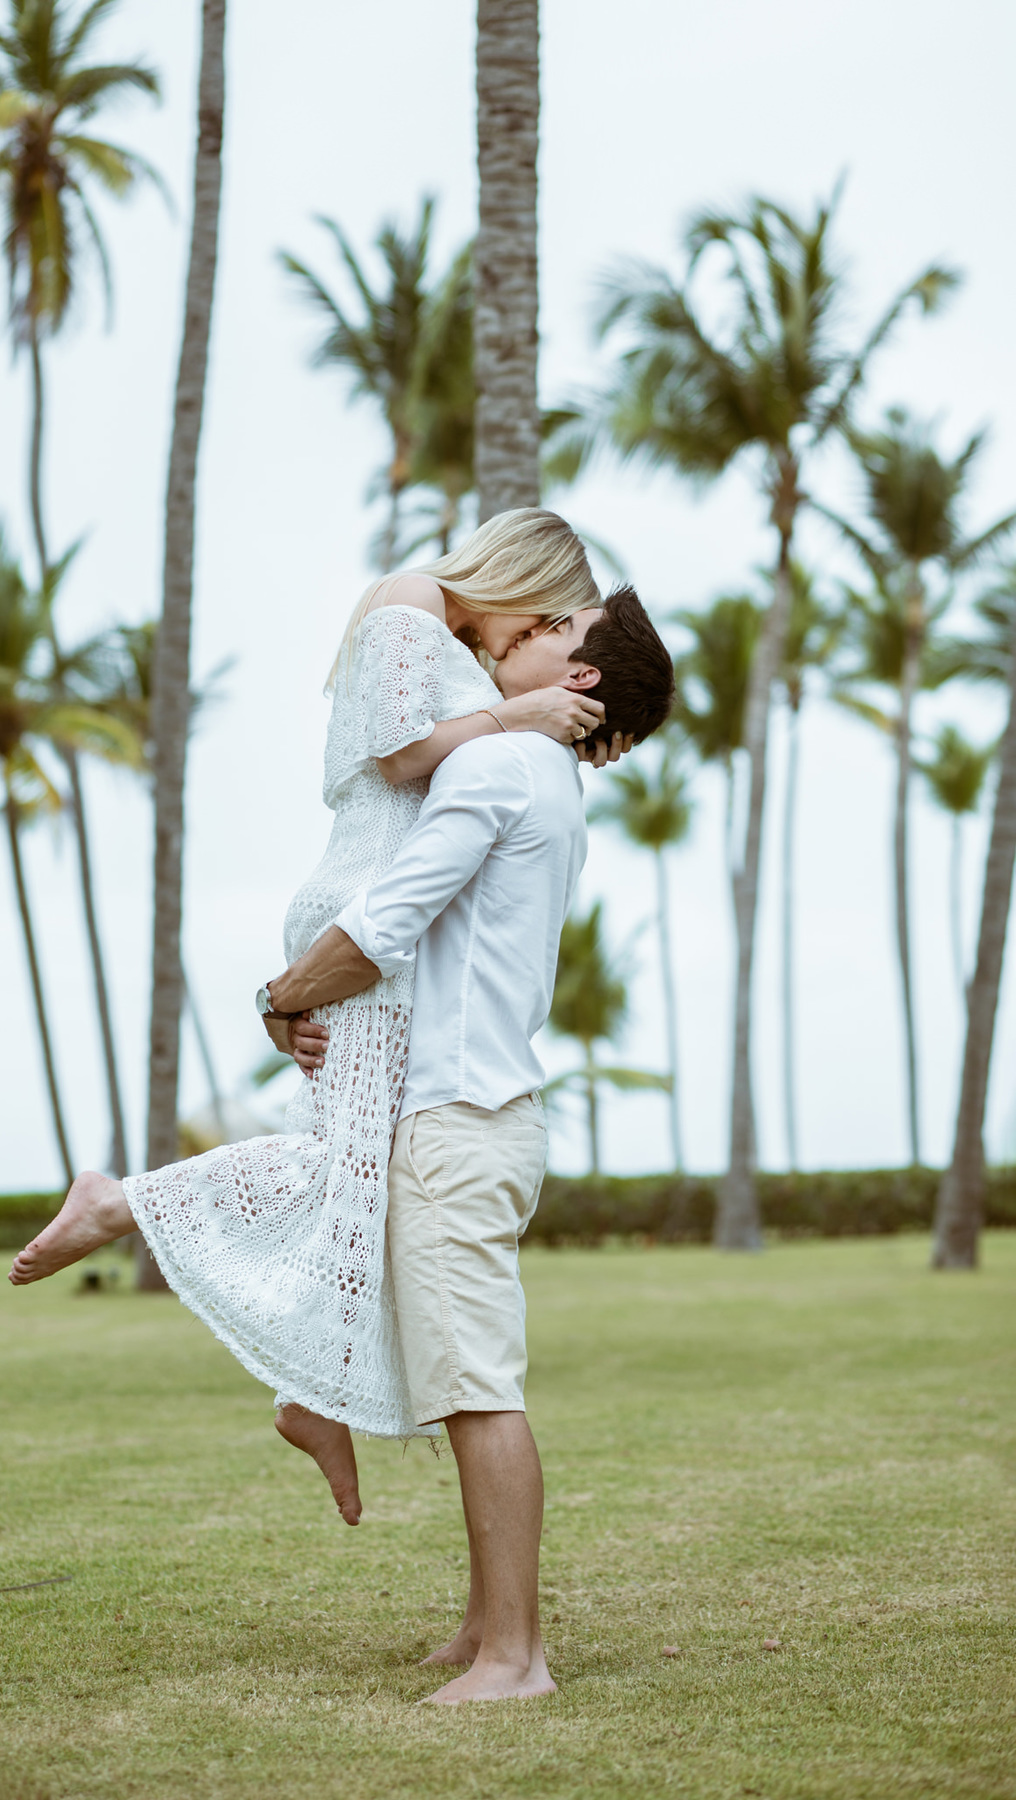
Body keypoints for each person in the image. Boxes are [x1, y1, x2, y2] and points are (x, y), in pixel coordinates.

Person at [10, 510, 623, 1471]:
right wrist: (522, 716)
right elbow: (399, 753)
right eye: (546, 621)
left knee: (360, 1174)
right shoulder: (412, 598)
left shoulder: (455, 641)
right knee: (333, 1164)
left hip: (388, 920)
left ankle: (315, 1397)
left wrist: (556, 724)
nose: (532, 646)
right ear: (525, 581)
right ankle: (120, 1202)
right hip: (369, 906)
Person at [259, 583, 675, 1703]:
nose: (532, 632)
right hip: (480, 1113)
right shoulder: (535, 771)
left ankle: (514, 1659)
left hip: (453, 1121)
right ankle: (484, 1625)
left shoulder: (494, 766)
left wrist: (281, 995)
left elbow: (386, 928)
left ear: (577, 679)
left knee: (480, 1390)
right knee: (460, 1381)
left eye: (560, 632)